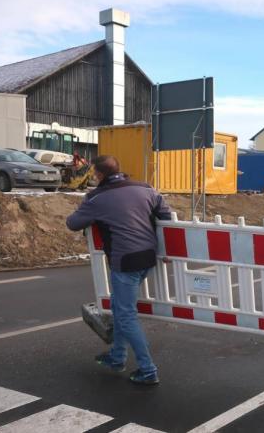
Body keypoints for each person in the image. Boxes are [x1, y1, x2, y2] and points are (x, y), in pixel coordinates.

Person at [66, 155, 171, 385]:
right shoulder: (145, 188)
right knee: (119, 307)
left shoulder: (97, 198)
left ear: (100, 175)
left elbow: (73, 223)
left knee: (125, 316)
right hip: (147, 256)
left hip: (124, 261)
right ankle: (117, 356)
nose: (94, 178)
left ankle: (148, 370)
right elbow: (166, 214)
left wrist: (87, 205)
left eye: (94, 174)